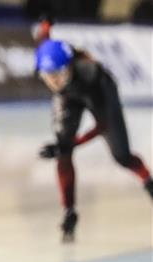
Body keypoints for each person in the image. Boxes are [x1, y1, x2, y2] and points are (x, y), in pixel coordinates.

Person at [34, 39, 153, 242]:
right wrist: (65, 146)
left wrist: (70, 144)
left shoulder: (93, 74)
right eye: (48, 77)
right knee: (63, 152)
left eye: (59, 75)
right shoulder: (55, 75)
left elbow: (102, 126)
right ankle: (69, 211)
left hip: (97, 93)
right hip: (69, 98)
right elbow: (43, 38)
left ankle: (148, 181)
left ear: (70, 67)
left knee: (121, 156)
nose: (55, 83)